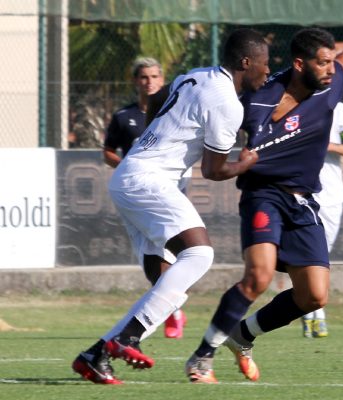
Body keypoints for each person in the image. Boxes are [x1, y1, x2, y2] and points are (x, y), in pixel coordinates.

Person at [185, 27, 343, 384]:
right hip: (263, 194)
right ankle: (202, 357)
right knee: (258, 278)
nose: (330, 70)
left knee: (314, 296)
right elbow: (214, 117)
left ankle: (242, 335)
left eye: (330, 62)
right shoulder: (257, 100)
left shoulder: (329, 87)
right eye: (322, 62)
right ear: (300, 63)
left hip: (303, 201)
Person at [71, 28, 270, 385]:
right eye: (265, 63)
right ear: (246, 62)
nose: (267, 71)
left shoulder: (197, 74)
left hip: (130, 176)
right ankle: (125, 338)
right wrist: (247, 162)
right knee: (200, 255)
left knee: (165, 286)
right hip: (149, 181)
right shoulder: (228, 102)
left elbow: (159, 97)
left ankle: (96, 356)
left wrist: (152, 141)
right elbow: (214, 170)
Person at [102, 57, 188, 340]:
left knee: (174, 253)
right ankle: (171, 306)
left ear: (162, 81)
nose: (149, 82)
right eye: (143, 77)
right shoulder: (124, 117)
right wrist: (127, 167)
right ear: (135, 81)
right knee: (153, 261)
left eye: (154, 76)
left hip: (169, 191)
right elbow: (108, 151)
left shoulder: (173, 114)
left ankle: (170, 306)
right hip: (138, 191)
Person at [301, 101, 343, 338]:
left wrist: (327, 145)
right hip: (297, 193)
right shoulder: (288, 103)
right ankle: (313, 314)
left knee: (321, 257)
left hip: (330, 198)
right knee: (307, 256)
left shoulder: (339, 109)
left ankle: (313, 310)